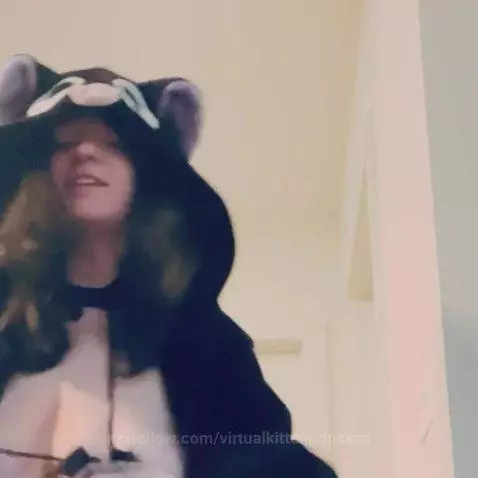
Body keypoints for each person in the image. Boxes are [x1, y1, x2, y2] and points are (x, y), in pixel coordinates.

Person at [0, 54, 337, 477]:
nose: (85, 152)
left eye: (114, 144)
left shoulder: (208, 347)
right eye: (65, 142)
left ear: (146, 177)